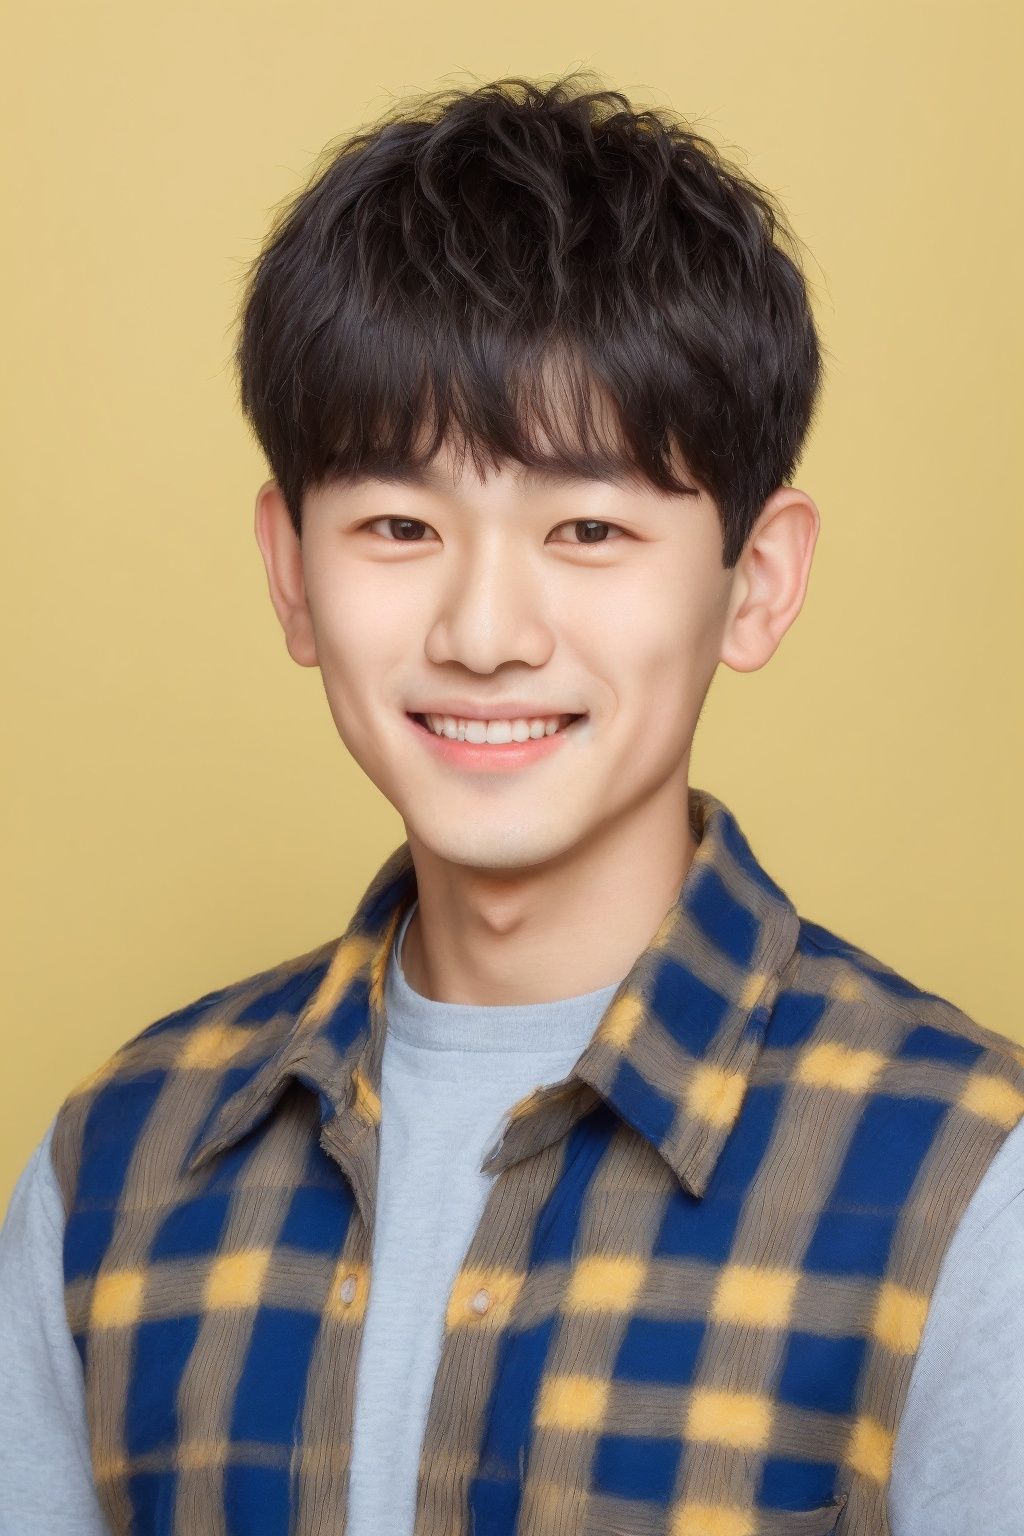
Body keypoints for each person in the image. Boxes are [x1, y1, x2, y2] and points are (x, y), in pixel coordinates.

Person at [1, 74, 1021, 1536]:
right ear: (292, 573)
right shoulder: (114, 1166)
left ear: (760, 580)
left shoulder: (970, 1189)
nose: (485, 630)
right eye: (399, 527)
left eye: (590, 527)